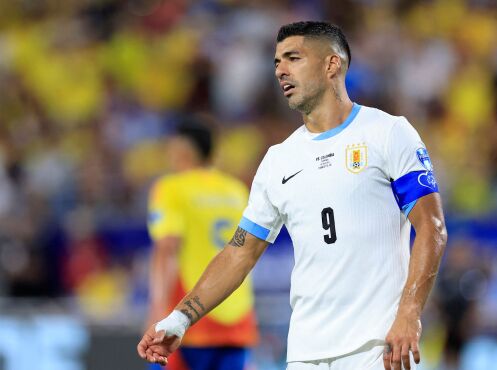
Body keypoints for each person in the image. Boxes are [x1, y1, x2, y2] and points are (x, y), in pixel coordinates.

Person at [138, 21, 447, 370]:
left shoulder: (389, 133)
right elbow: (239, 252)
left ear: (332, 65)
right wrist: (180, 319)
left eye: (293, 58)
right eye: (276, 62)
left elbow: (431, 227)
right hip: (305, 353)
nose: (280, 70)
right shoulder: (278, 161)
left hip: (377, 348)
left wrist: (409, 313)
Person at [145, 117, 258, 370]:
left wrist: (157, 311)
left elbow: (167, 249)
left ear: (182, 149)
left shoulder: (171, 188)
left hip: (188, 319)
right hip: (236, 317)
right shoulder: (236, 190)